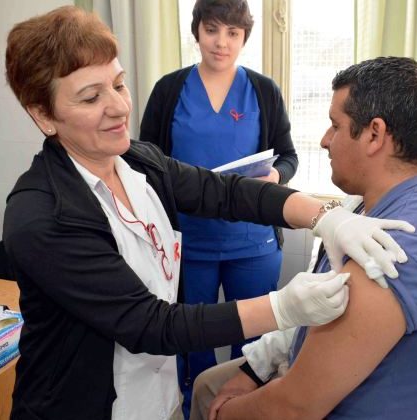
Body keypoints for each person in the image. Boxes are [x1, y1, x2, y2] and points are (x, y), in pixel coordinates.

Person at [3, 8, 414, 420]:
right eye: (91, 97)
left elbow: (224, 192)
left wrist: (326, 216)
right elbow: (151, 325)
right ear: (43, 115)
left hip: (156, 401)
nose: (118, 107)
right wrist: (283, 308)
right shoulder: (42, 215)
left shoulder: (138, 163)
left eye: (119, 84)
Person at [196, 57, 417, 420]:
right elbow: (317, 318)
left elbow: (295, 407)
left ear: (374, 134)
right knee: (206, 385)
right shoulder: (378, 206)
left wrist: (226, 415)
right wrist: (252, 370)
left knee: (211, 403)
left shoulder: (398, 247)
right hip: (329, 382)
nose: (325, 141)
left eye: (335, 126)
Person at [139, 1, 296, 412]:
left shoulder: (263, 90)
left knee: (257, 346)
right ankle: (197, 407)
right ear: (196, 32)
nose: (221, 42)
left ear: (244, 38)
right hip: (189, 246)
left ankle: (250, 411)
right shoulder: (169, 90)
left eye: (232, 33)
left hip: (254, 244)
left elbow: (288, 156)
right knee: (193, 342)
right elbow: (145, 163)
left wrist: (277, 176)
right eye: (212, 30)